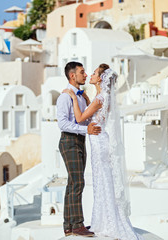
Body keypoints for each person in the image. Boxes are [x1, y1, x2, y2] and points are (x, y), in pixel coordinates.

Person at [63, 64, 143, 240]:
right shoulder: (101, 97)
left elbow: (79, 118)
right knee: (103, 179)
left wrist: (75, 100)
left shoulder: (100, 98)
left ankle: (107, 222)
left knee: (103, 180)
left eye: (93, 73)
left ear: (100, 79)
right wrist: (84, 97)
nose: (89, 75)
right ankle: (104, 220)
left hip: (98, 142)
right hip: (100, 139)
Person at [57, 61, 101, 237]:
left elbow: (83, 119)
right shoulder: (64, 97)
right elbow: (63, 124)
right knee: (78, 182)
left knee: (72, 183)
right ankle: (77, 225)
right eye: (82, 72)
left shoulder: (81, 97)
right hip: (69, 141)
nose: (86, 74)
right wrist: (86, 130)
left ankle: (68, 225)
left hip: (80, 141)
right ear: (72, 75)